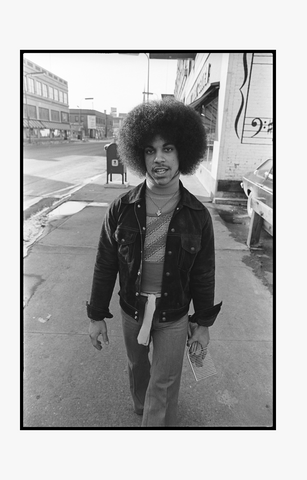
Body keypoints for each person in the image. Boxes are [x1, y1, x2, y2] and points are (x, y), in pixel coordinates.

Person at [87, 100, 222, 427]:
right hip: (132, 311)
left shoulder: (197, 216)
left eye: (168, 149)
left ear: (183, 155)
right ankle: (142, 408)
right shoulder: (121, 209)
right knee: (138, 369)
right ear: (139, 155)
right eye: (150, 150)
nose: (159, 158)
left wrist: (202, 324)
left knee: (165, 380)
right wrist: (96, 316)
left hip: (174, 314)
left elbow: (204, 273)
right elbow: (105, 264)